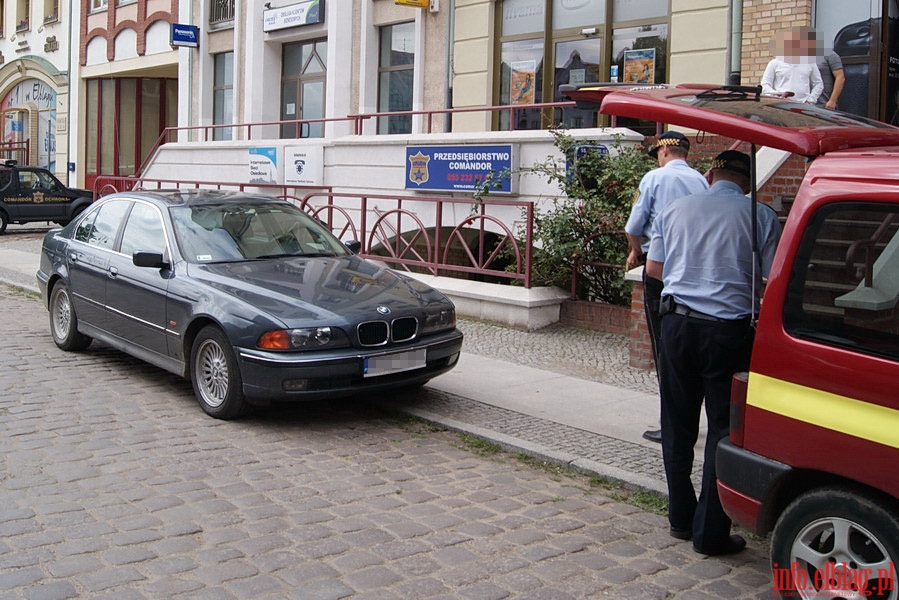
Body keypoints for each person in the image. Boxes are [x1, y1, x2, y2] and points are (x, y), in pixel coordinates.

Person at [645, 150, 781, 555]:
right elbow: (771, 279)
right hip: (728, 332)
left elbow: (654, 269)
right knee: (723, 429)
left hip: (677, 326)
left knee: (677, 422)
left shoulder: (674, 208)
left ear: (709, 174)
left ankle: (680, 517)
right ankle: (709, 533)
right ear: (747, 183)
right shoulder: (759, 214)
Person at [624, 131, 708, 444]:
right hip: (692, 269)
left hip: (659, 269)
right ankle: (691, 419)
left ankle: (672, 423)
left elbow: (633, 225)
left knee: (664, 349)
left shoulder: (654, 178)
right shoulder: (701, 180)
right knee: (689, 347)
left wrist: (635, 250)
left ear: (662, 152)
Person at [761, 27, 823, 104]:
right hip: (780, 105)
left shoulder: (810, 63)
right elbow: (765, 85)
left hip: (804, 106)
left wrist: (810, 100)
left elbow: (818, 84)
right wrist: (776, 95)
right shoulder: (774, 63)